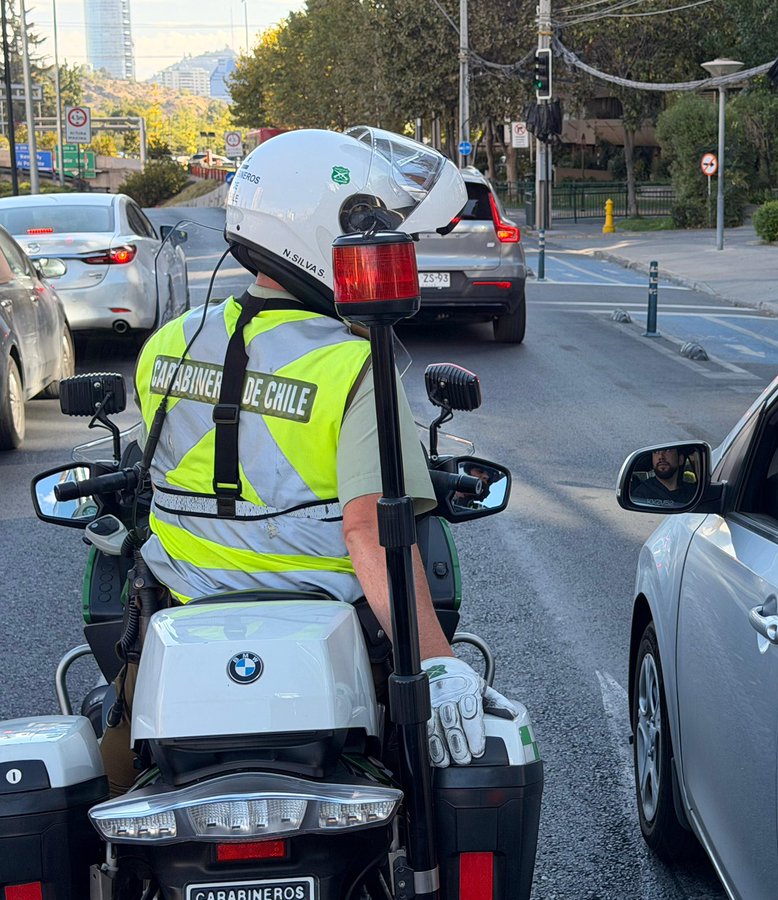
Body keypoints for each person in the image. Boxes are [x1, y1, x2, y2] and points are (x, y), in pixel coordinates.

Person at [102, 127, 512, 792]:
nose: (392, 252)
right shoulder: (353, 365)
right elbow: (370, 531)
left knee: (116, 779)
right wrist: (438, 664)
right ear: (329, 235)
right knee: (427, 782)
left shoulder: (165, 347)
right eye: (380, 236)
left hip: (178, 620)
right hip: (326, 628)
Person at [631, 446, 696, 507]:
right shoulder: (641, 493)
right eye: (656, 452)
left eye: (668, 450)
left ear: (680, 459)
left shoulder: (694, 493)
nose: (661, 456)